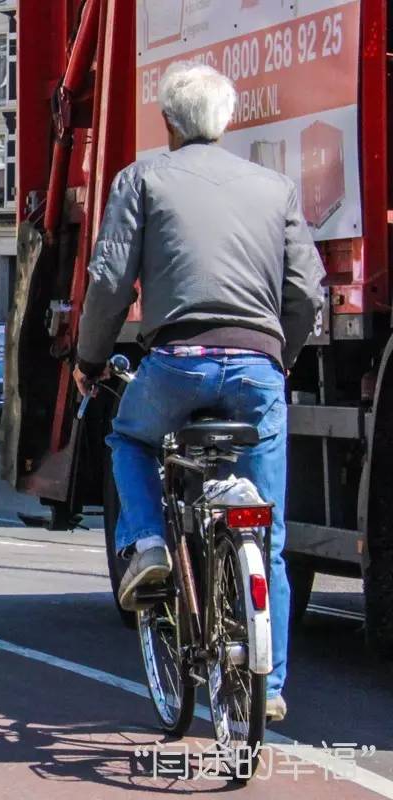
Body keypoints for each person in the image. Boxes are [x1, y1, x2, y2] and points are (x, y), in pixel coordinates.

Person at [72, 62, 324, 723]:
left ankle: (151, 543)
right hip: (257, 371)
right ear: (227, 120)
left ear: (167, 122)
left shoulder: (144, 178)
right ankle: (269, 689)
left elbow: (107, 281)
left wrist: (90, 359)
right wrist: (282, 357)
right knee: (264, 521)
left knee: (127, 437)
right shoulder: (275, 188)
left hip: (177, 362)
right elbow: (307, 291)